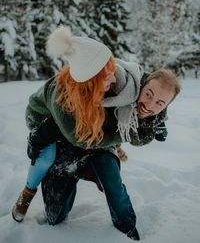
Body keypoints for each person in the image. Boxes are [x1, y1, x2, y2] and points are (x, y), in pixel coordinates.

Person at [12, 26, 180, 241]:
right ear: (88, 82)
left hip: (95, 134)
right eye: (107, 77)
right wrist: (123, 136)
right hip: (54, 130)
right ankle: (29, 190)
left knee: (111, 178)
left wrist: (158, 118)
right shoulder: (63, 96)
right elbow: (79, 138)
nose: (115, 79)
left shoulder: (123, 79)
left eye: (113, 72)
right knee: (46, 167)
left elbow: (156, 88)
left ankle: (127, 226)